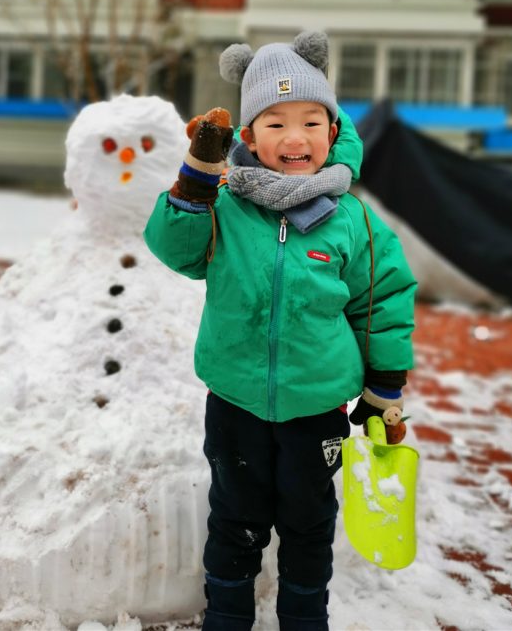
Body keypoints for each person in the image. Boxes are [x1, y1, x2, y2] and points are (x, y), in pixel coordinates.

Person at [144, 32, 416, 631]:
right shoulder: (227, 206)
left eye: (311, 122)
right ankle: (228, 617)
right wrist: (193, 185)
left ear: (332, 129)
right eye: (274, 124)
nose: (295, 139)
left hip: (317, 406)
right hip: (236, 399)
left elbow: (384, 301)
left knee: (309, 521)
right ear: (248, 138)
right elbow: (176, 251)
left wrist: (385, 385)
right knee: (234, 517)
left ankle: (302, 617)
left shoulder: (354, 221)